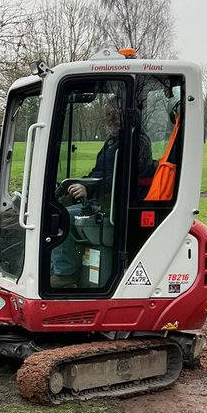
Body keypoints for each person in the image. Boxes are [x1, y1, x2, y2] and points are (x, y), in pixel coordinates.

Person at [51, 93, 154, 288]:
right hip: (103, 201)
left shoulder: (137, 142)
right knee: (53, 209)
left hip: (116, 206)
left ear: (127, 115)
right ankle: (56, 269)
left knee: (61, 217)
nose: (109, 119)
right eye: (107, 115)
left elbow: (121, 180)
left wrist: (88, 189)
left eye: (114, 114)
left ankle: (65, 274)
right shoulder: (113, 142)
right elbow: (98, 174)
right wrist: (74, 184)